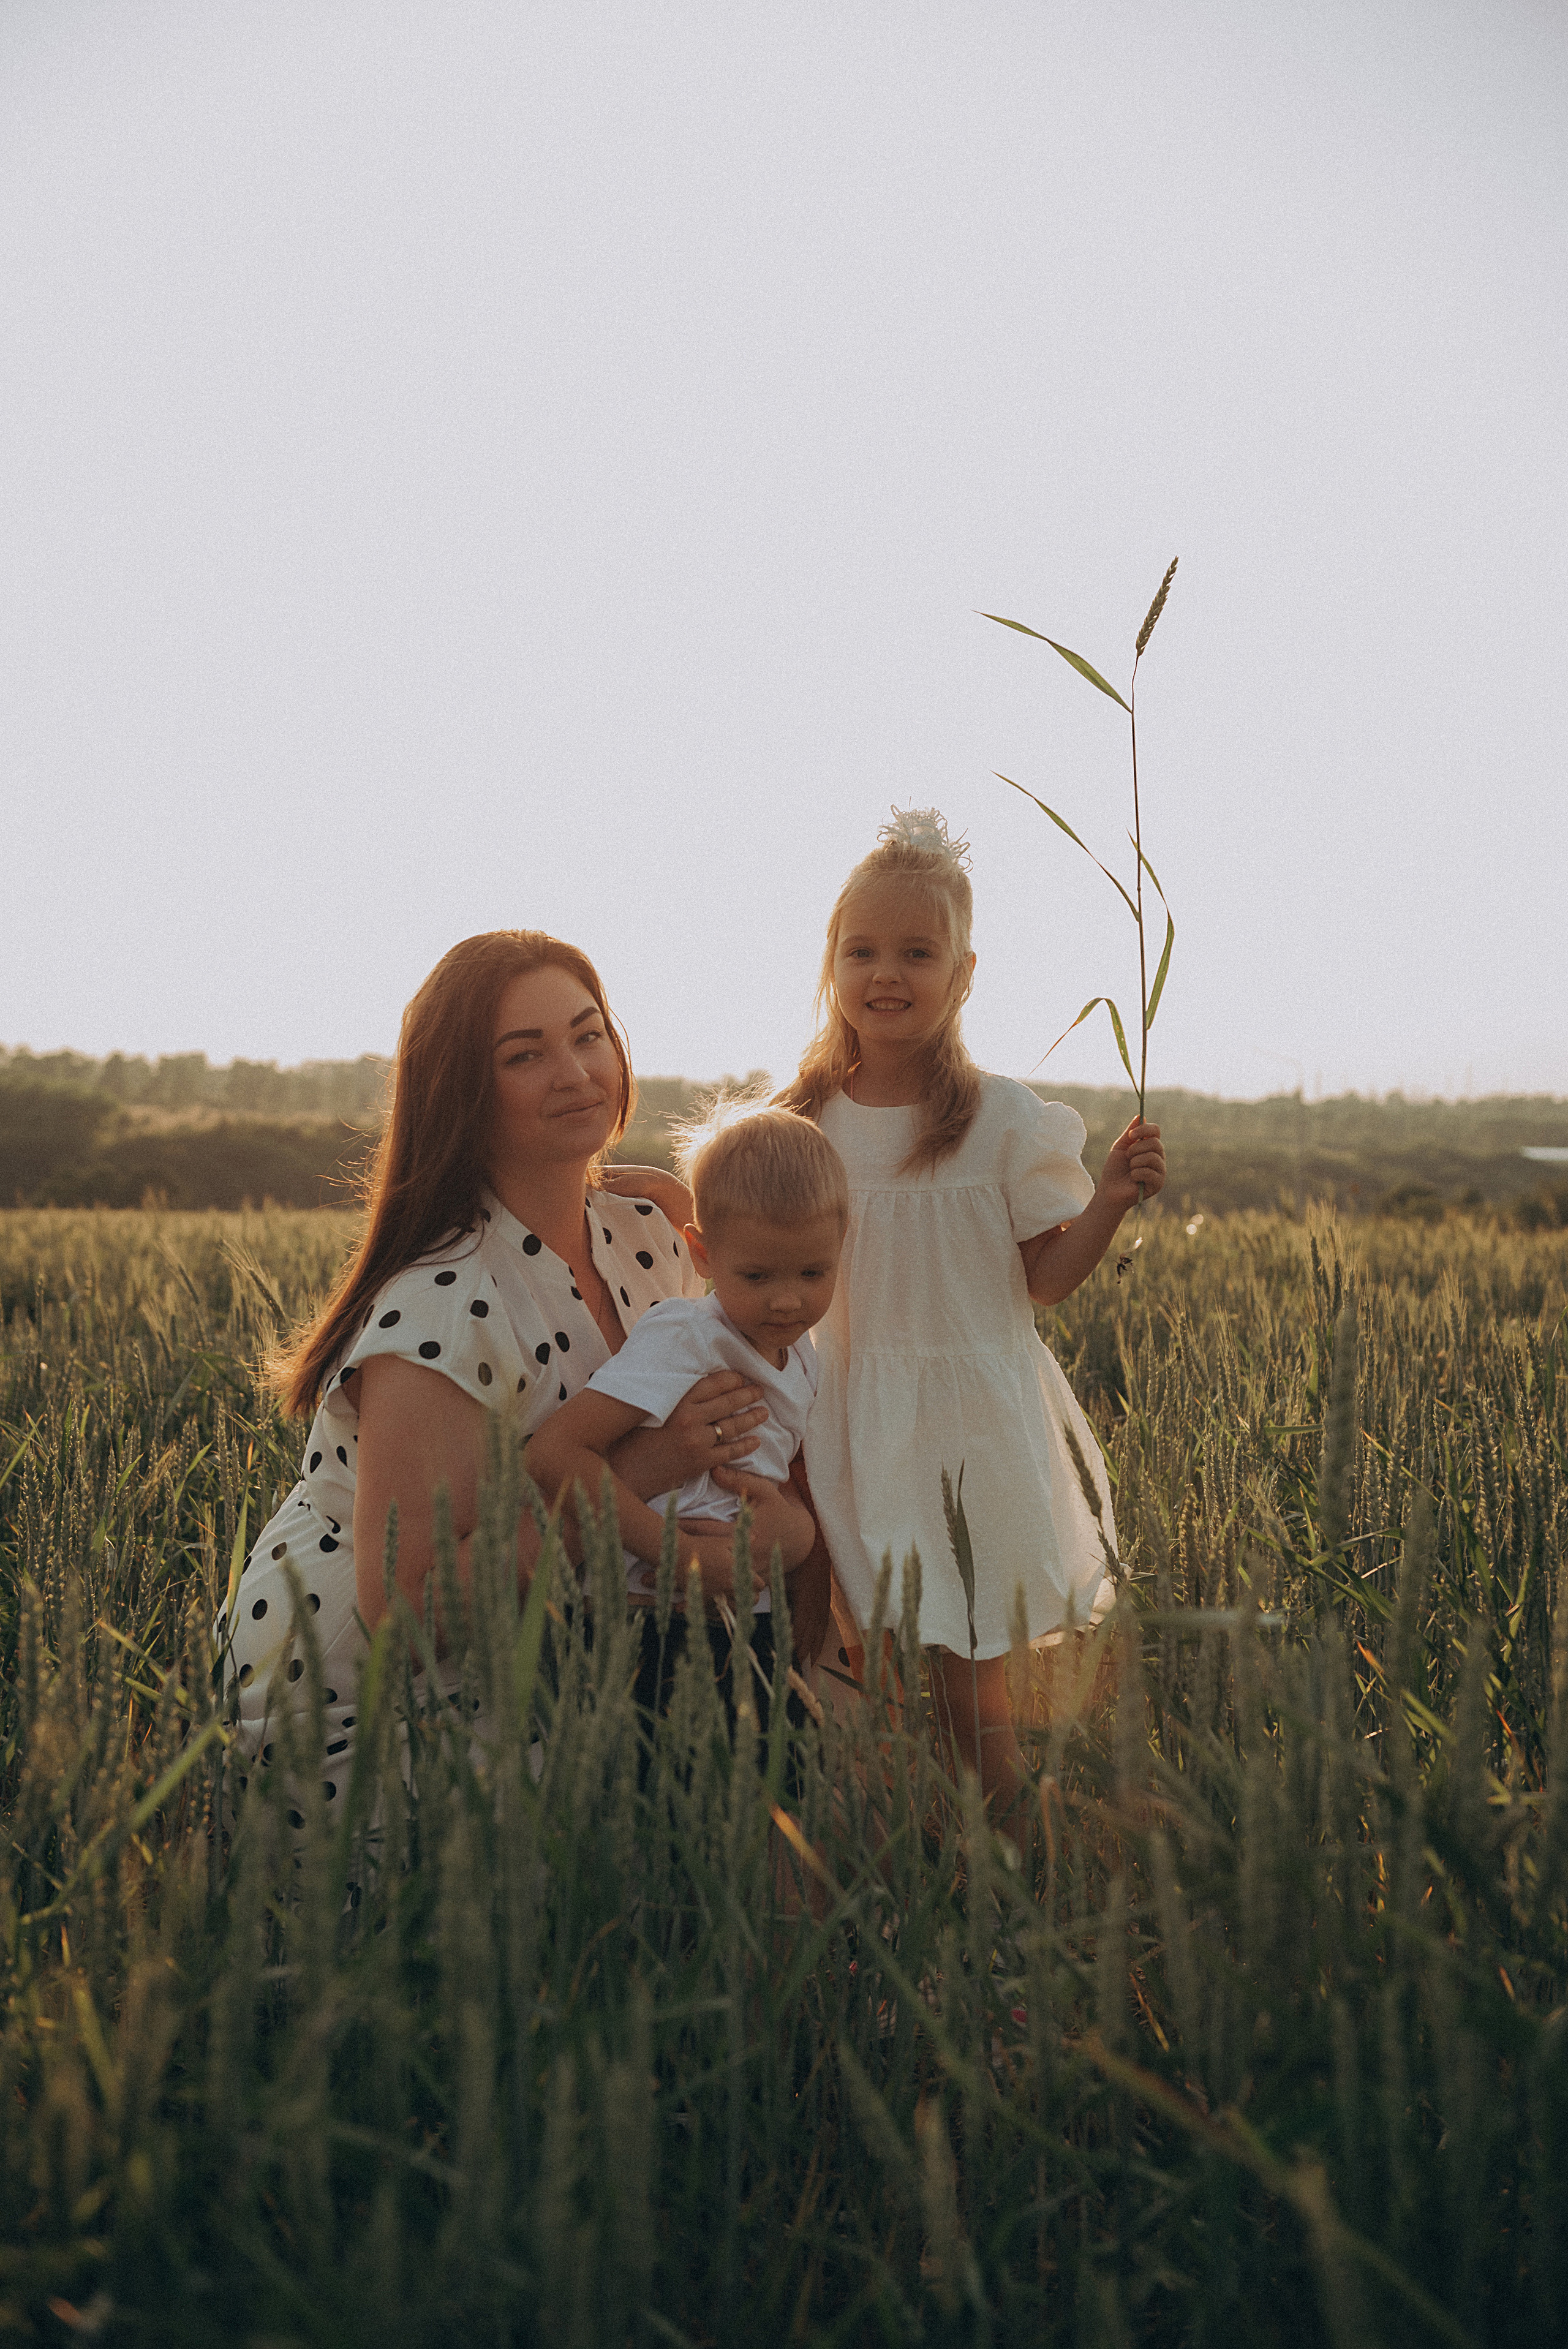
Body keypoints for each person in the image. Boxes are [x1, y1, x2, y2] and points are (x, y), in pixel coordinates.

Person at [221, 930, 816, 1797]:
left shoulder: (653, 1230)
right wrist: (644, 1468)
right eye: (524, 1054)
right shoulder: (442, 1304)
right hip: (386, 1696)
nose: (575, 1072)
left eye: (588, 1033)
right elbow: (413, 1619)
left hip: (581, 1619)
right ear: (465, 1093)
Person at [774, 808, 1167, 1831]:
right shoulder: (802, 1119)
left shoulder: (1000, 1120)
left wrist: (1111, 1199)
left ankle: (1011, 1845)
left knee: (964, 1669)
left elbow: (1044, 1279)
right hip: (843, 1409)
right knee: (843, 1652)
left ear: (964, 972)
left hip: (967, 1426)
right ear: (831, 964)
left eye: (917, 951)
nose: (886, 973)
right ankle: (889, 1845)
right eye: (861, 951)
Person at [527, 1106, 848, 1713]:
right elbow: (554, 1452)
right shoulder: (687, 1336)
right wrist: (681, 1556)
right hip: (651, 1622)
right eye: (755, 1275)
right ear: (700, 1253)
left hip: (752, 1613)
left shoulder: (803, 1356)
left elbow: (790, 1485)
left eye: (813, 1271)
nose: (786, 1299)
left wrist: (797, 1546)